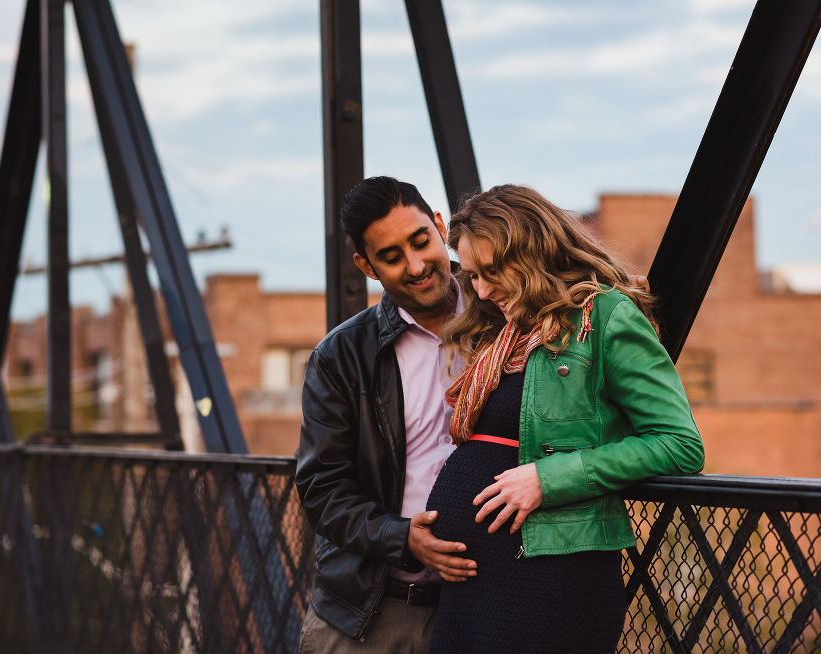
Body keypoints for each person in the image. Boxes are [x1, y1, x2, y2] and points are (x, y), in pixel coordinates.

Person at [425, 184, 705, 654]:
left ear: (535, 251)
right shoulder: (506, 330)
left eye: (493, 271)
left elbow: (679, 443)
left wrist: (548, 479)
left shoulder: (606, 317)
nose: (483, 289)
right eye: (472, 276)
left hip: (550, 576)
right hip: (476, 579)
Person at [295, 176, 478, 653]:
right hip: (370, 614)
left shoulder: (507, 316)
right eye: (392, 257)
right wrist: (403, 539)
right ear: (367, 266)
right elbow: (322, 489)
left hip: (483, 603)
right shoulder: (341, 356)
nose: (417, 265)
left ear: (440, 226)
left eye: (421, 241)